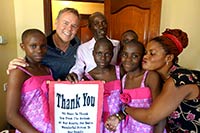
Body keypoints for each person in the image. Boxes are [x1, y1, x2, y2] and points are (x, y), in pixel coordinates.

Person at [106, 28, 200, 132]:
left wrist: (125, 109)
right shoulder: (160, 78)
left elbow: (151, 117)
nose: (145, 57)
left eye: (152, 53)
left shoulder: (180, 79)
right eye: (145, 52)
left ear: (168, 58)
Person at [105, 40, 166, 133]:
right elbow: (127, 109)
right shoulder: (124, 79)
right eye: (125, 54)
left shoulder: (150, 77)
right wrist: (117, 117)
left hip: (149, 130)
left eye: (135, 56)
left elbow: (160, 113)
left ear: (142, 57)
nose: (128, 59)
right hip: (129, 129)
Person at [7, 7, 80, 80]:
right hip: (47, 89)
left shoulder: (78, 44)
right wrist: (14, 66)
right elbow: (28, 63)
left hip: (71, 89)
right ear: (56, 22)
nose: (69, 28)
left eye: (74, 26)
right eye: (65, 23)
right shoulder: (42, 45)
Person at [6, 29, 54, 133]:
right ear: (23, 46)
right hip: (29, 130)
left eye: (43, 46)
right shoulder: (19, 72)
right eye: (33, 46)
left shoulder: (47, 70)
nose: (39, 50)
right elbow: (11, 115)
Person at [66, 12, 120, 82]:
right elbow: (78, 69)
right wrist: (74, 75)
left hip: (113, 85)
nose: (101, 27)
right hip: (92, 87)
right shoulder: (83, 49)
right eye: (96, 24)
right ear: (90, 27)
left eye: (104, 23)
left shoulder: (117, 45)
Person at [84, 38, 122, 133]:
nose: (103, 58)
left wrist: (120, 116)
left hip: (119, 121)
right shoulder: (87, 77)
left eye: (107, 54)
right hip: (99, 123)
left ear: (112, 54)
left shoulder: (119, 71)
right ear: (93, 53)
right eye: (99, 53)